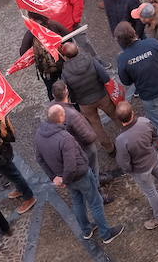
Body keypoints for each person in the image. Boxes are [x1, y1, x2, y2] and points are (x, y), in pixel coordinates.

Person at [36, 104, 123, 243]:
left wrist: (55, 177)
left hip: (66, 178)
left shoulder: (39, 134)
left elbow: (39, 159)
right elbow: (71, 165)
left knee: (77, 202)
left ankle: (86, 230)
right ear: (60, 117)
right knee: (96, 202)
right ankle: (106, 234)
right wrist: (65, 179)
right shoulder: (65, 138)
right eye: (64, 114)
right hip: (80, 176)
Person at [115, 21, 158, 150]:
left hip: (149, 95)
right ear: (133, 33)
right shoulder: (152, 43)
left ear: (119, 41)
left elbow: (126, 81)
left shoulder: (123, 59)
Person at [114, 103, 158, 230]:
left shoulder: (121, 140)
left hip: (140, 170)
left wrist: (129, 170)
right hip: (153, 158)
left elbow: (123, 162)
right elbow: (155, 135)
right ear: (132, 113)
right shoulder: (144, 121)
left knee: (151, 193)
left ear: (119, 120)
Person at [59, 41, 119, 157]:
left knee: (96, 125)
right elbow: (105, 76)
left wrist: (77, 100)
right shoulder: (90, 59)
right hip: (102, 95)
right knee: (115, 116)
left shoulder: (65, 72)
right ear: (77, 49)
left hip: (85, 103)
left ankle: (110, 149)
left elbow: (68, 91)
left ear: (65, 55)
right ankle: (127, 133)